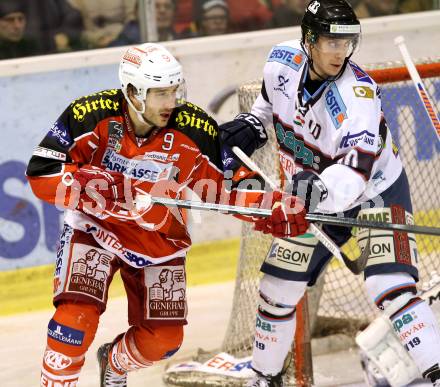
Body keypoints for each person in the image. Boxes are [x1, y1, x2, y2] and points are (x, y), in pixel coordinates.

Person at [26, 42, 303, 387]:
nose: (170, 103)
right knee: (73, 322)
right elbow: (42, 174)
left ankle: (113, 363)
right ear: (131, 91)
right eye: (159, 93)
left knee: (164, 339)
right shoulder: (89, 115)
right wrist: (110, 186)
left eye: (174, 91)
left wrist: (271, 207)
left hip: (156, 237)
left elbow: (228, 184)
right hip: (94, 229)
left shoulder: (193, 128)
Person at [218, 0, 440, 386]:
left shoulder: (357, 97)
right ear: (309, 39)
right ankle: (264, 378)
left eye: (347, 43)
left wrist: (315, 190)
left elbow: (355, 172)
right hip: (313, 196)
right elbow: (269, 106)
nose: (340, 52)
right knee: (276, 287)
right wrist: (251, 124)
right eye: (331, 42)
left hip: (374, 192)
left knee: (390, 287)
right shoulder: (281, 61)